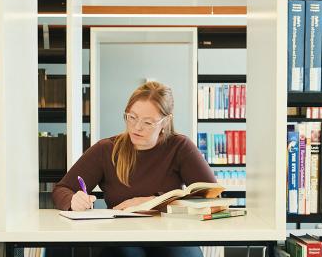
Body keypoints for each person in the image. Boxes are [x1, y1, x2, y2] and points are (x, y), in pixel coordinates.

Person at [52, 81, 216, 257]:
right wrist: (73, 200)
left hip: (170, 236)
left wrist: (152, 203)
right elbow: (62, 189)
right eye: (132, 117)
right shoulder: (106, 149)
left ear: (165, 122)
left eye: (147, 122)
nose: (137, 127)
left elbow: (212, 198)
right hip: (122, 238)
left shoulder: (180, 147)